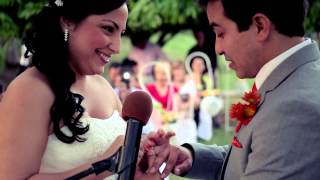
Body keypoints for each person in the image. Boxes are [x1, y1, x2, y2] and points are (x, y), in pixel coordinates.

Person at [142, 0, 320, 179]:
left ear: (260, 26)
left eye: (221, 33)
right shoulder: (292, 79)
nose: (218, 49)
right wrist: (191, 157)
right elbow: (254, 156)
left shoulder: (295, 109)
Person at [0, 0, 161, 179]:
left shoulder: (104, 87)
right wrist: (106, 164)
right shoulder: (31, 89)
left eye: (121, 33)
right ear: (67, 21)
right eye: (108, 29)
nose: (117, 47)